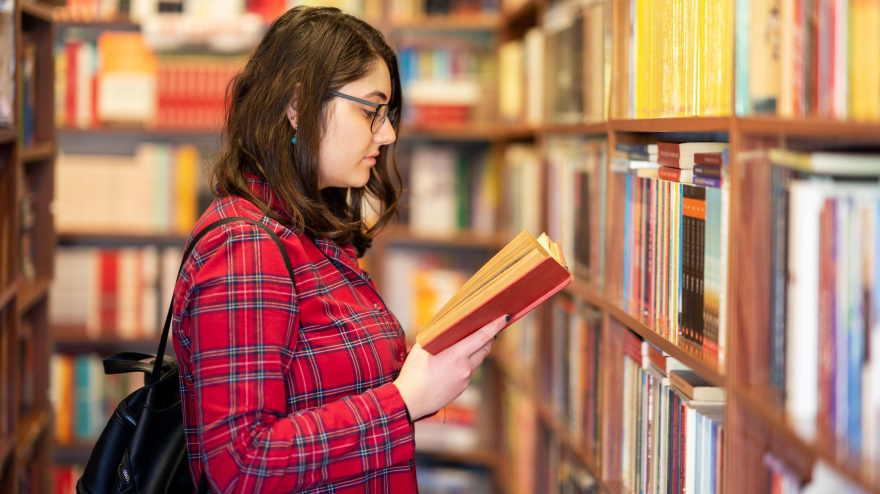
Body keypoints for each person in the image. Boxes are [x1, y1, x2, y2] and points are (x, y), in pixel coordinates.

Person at [170, 6, 508, 493]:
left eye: (387, 114)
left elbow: (324, 380)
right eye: (371, 110)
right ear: (296, 104)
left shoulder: (302, 231)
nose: (387, 134)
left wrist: (426, 371)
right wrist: (404, 400)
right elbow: (242, 465)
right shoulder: (245, 245)